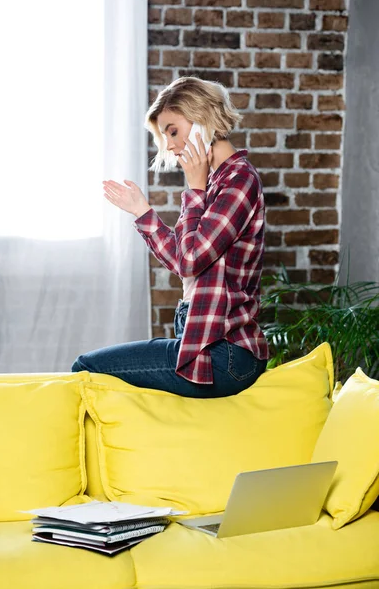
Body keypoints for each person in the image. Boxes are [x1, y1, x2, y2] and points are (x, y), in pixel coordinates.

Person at [71, 76, 269, 398]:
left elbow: (190, 261)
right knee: (90, 371)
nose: (170, 146)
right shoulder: (213, 182)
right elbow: (183, 259)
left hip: (226, 355)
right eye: (165, 137)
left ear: (202, 117)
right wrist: (141, 212)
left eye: (172, 131)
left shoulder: (239, 180)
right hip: (204, 344)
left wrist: (193, 188)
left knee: (84, 368)